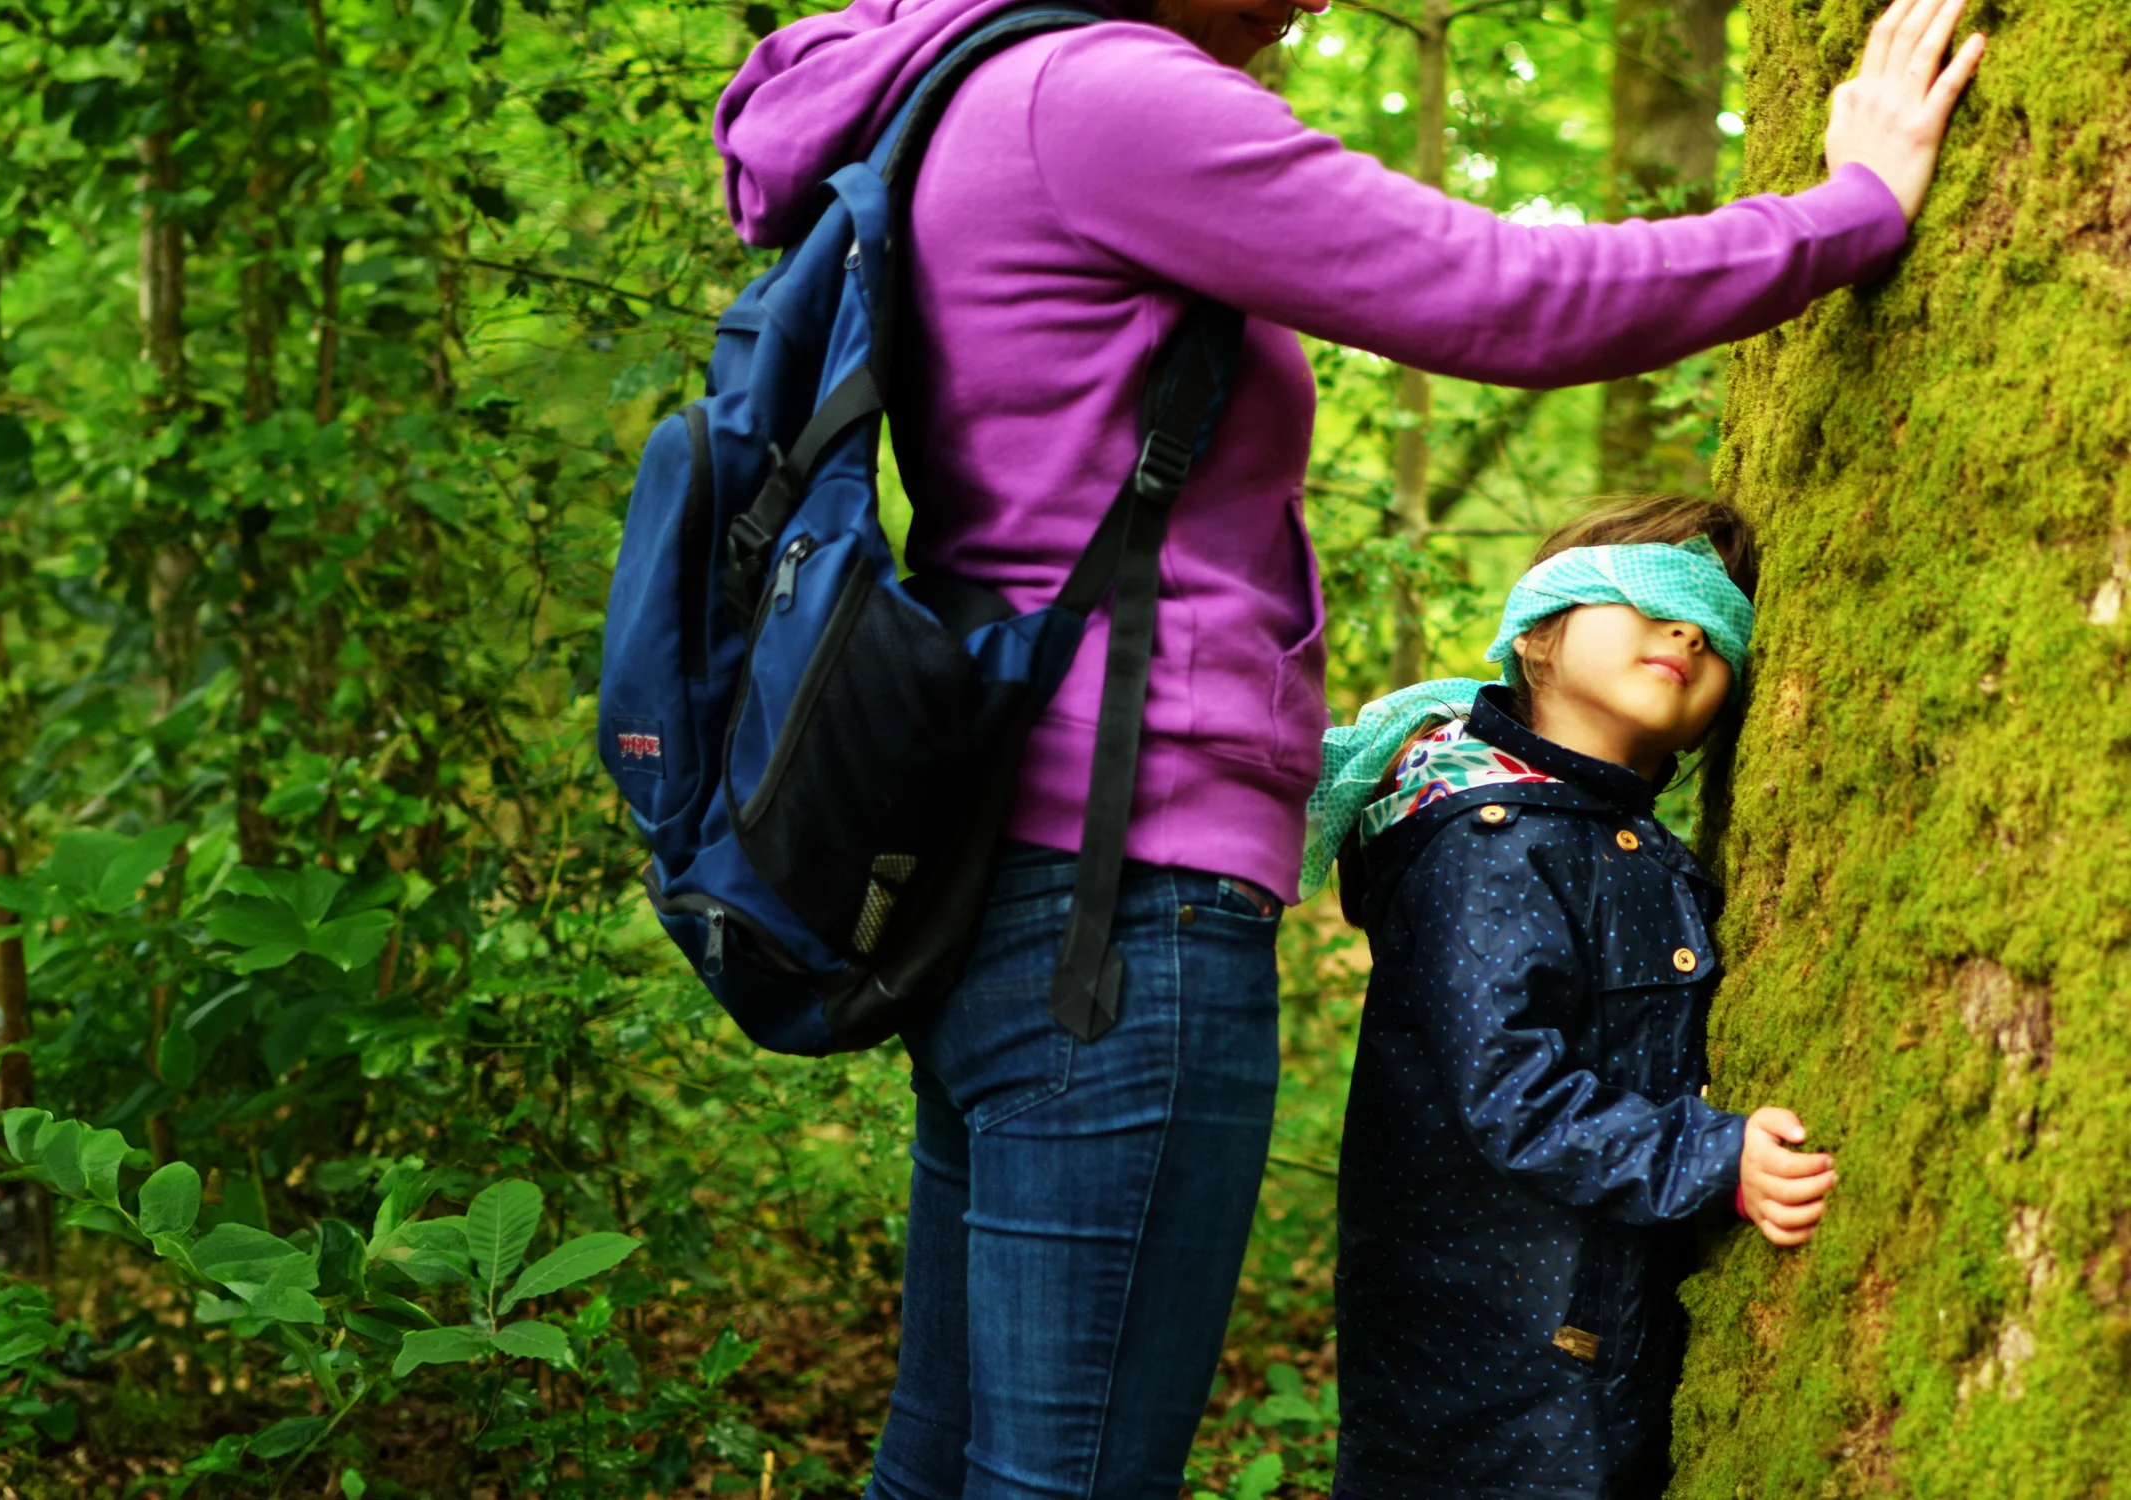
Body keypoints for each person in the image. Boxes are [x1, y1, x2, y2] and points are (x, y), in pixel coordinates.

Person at [712, 0, 1981, 1494]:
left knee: (946, 1466)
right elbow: (1502, 291)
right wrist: (1846, 212)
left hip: (1005, 868)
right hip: (1119, 905)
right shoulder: (1102, 95)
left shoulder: (954, 95)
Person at [1311, 495, 1836, 1500]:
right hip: (1498, 1375)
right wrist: (1708, 1156)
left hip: (1590, 1347)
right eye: (1646, 593)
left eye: (1718, 622)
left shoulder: (1612, 840)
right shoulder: (1485, 838)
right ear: (1539, 636)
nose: (1686, 625)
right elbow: (1509, 1086)